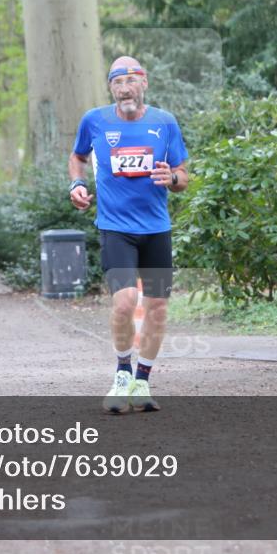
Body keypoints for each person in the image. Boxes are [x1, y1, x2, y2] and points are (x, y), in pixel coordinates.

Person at [69, 56, 189, 413]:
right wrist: (77, 183)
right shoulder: (95, 121)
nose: (125, 88)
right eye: (117, 82)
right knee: (124, 303)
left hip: (156, 229)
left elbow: (182, 174)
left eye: (131, 80)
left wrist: (174, 179)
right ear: (111, 88)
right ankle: (122, 371)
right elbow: (77, 157)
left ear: (144, 83)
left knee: (157, 308)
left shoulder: (164, 122)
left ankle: (142, 380)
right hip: (115, 228)